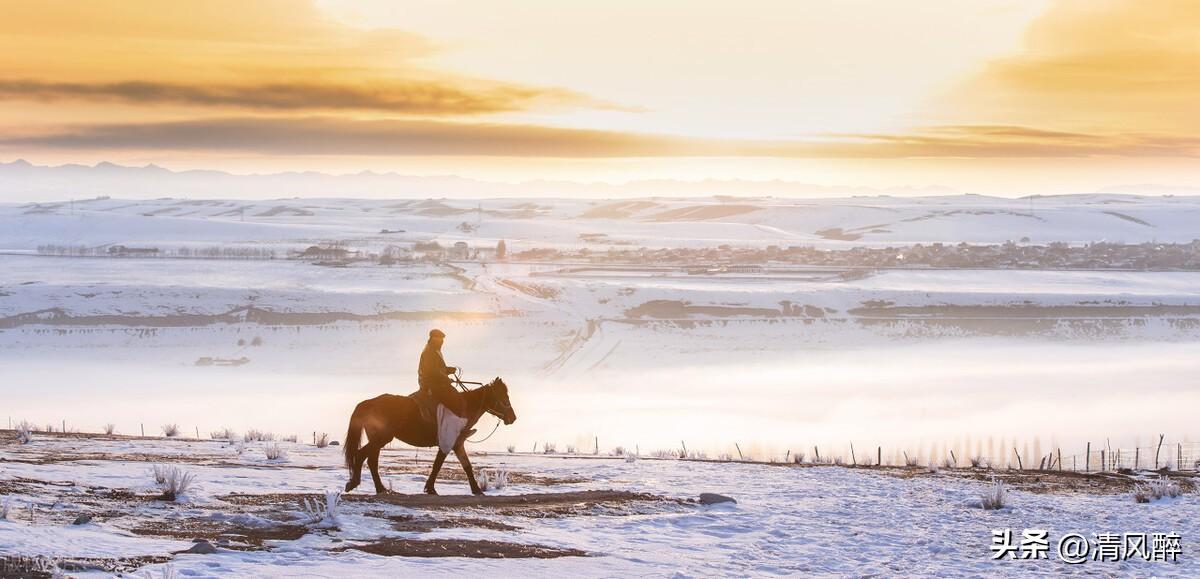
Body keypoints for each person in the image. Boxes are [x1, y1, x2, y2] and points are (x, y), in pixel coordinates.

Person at [418, 329, 464, 417]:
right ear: (432, 339)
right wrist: (446, 379)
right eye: (439, 339)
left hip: (435, 382)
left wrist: (448, 370)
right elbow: (432, 371)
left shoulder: (435, 351)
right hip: (429, 383)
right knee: (453, 401)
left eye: (442, 339)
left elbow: (438, 369)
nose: (441, 341)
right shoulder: (429, 352)